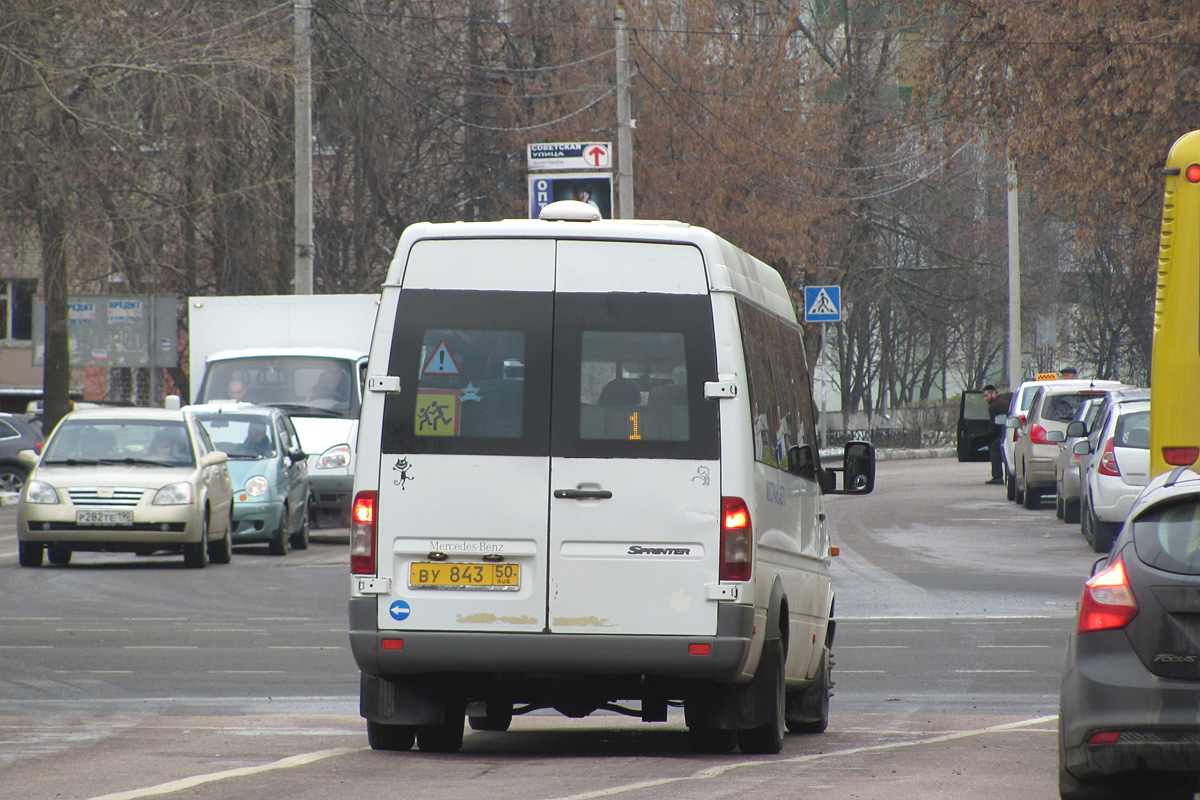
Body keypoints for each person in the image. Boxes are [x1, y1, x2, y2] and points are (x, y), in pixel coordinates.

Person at [982, 384, 1012, 485]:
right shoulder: (1008, 396)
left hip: (1007, 432)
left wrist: (990, 438)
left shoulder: (995, 406)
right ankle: (1010, 475)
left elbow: (994, 426)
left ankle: (997, 476)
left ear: (993, 393)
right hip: (1014, 430)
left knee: (995, 447)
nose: (985, 399)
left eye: (986, 396)